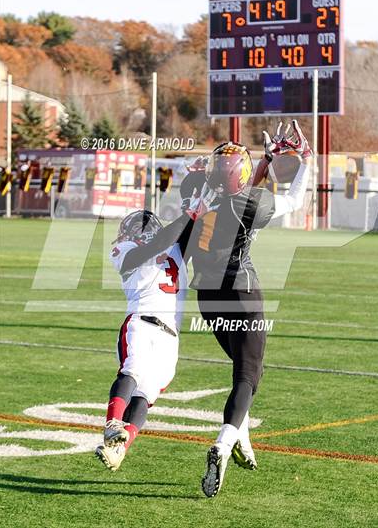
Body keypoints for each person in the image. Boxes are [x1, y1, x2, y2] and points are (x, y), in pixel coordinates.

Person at [179, 120, 313, 497]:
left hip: (207, 295)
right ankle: (222, 444)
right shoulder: (248, 203)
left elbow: (236, 192)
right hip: (241, 292)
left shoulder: (196, 193)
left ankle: (241, 438)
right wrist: (306, 161)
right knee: (249, 375)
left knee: (243, 370)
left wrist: (266, 163)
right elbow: (294, 200)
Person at [95, 209, 195, 471]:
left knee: (145, 396)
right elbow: (156, 245)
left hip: (170, 336)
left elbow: (188, 232)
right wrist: (187, 215)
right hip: (142, 320)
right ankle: (112, 424)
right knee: (132, 371)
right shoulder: (126, 250)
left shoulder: (175, 247)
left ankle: (118, 450)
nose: (123, 235)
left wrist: (199, 206)